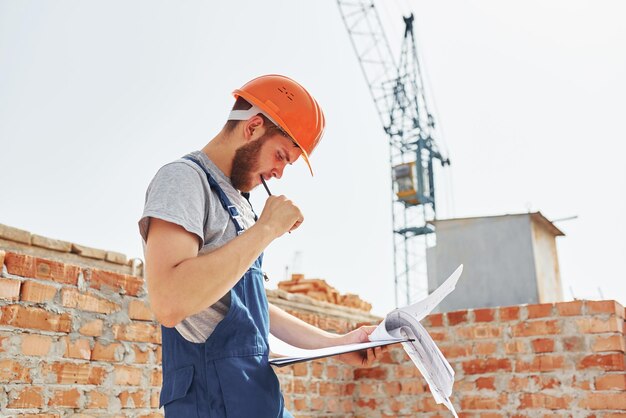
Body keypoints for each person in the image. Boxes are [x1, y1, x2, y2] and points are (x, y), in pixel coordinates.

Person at [139, 74, 383, 417]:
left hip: (256, 398)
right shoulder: (182, 180)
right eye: (280, 155)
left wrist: (335, 344)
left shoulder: (240, 202)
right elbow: (169, 301)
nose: (279, 173)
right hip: (212, 403)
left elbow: (246, 306)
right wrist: (266, 228)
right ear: (252, 128)